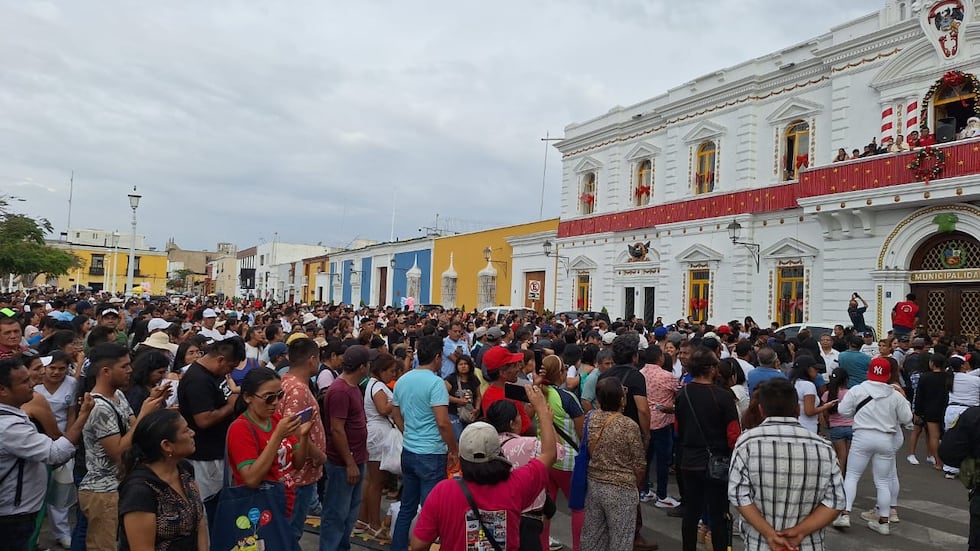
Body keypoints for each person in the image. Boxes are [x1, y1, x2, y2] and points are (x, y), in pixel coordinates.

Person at [409, 385, 556, 551]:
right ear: (498, 451)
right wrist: (542, 411)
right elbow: (550, 454)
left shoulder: (443, 491)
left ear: (462, 457)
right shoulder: (517, 483)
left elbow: (418, 545)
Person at [729, 378, 846, 551]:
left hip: (760, 543)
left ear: (761, 409)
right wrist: (799, 531)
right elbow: (836, 501)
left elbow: (738, 495)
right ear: (797, 409)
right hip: (806, 544)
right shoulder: (823, 447)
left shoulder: (747, 442)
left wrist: (769, 534)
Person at [80, 343, 169, 551]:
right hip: (103, 492)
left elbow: (132, 429)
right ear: (106, 371)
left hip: (119, 486)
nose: (130, 370)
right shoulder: (98, 407)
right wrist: (145, 413)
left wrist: (152, 402)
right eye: (124, 366)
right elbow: (118, 452)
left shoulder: (118, 395)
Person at [0, 357, 94, 550]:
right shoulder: (8, 427)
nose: (32, 384)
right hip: (13, 515)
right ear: (3, 390)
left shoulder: (12, 417)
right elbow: (56, 453)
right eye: (24, 382)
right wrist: (83, 415)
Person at [390, 335, 458, 551]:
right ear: (438, 357)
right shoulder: (436, 383)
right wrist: (454, 449)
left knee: (407, 508)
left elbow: (395, 412)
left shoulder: (404, 379)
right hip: (431, 454)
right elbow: (443, 422)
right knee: (432, 513)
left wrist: (407, 432)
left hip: (409, 451)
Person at [834, 357, 912, 534]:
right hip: (886, 438)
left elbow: (843, 410)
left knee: (852, 476)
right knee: (883, 481)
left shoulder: (858, 390)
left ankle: (845, 514)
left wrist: (856, 414)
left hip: (862, 436)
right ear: (889, 374)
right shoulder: (895, 394)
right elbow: (907, 419)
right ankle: (884, 521)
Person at [675, 346, 740, 551]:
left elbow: (678, 426)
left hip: (689, 459)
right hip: (716, 462)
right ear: (712, 369)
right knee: (718, 513)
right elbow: (733, 433)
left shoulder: (682, 393)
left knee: (691, 512)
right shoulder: (723, 396)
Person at [595, 332, 656, 551]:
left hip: (607, 431)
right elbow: (642, 409)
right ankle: (633, 533)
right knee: (633, 483)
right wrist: (646, 434)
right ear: (634, 357)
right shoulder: (636, 376)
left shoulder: (605, 375)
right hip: (629, 434)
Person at [178, 337, 246, 527]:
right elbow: (204, 419)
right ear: (221, 360)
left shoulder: (213, 373)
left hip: (218, 450)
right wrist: (230, 407)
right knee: (209, 507)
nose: (229, 372)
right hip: (204, 457)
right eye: (230, 367)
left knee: (221, 503)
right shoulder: (197, 380)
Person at [227, 368, 311, 519]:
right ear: (247, 397)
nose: (276, 403)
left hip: (285, 503)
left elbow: (298, 464)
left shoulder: (276, 420)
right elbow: (251, 479)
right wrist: (277, 436)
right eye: (269, 398)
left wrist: (304, 436)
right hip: (260, 511)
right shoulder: (240, 428)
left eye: (280, 396)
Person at [118, 409, 208, 550]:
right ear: (166, 445)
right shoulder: (139, 491)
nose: (192, 433)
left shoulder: (184, 470)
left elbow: (199, 522)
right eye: (185, 431)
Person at [581, 378, 647, 551]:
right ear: (621, 399)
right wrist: (635, 484)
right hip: (621, 488)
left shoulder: (591, 418)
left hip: (594, 484)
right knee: (621, 540)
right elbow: (639, 464)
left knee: (593, 538)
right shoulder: (629, 425)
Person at [320, 345, 371, 551]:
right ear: (362, 367)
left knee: (349, 512)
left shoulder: (353, 387)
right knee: (336, 513)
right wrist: (349, 463)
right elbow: (337, 429)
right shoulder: (340, 390)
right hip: (343, 463)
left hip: (356, 459)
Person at [278, 338, 327, 544]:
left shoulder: (287, 382)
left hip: (298, 472)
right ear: (312, 359)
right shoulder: (297, 389)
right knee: (291, 533)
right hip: (299, 474)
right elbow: (293, 431)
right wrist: (319, 456)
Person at [538, 354, 585, 551]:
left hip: (545, 458)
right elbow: (583, 432)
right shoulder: (568, 398)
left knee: (543, 509)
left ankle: (542, 546)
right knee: (578, 507)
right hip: (568, 462)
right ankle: (578, 547)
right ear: (561, 374)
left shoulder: (538, 393)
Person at [358, 352, 399, 543]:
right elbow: (383, 409)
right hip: (378, 435)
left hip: (375, 433)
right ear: (381, 371)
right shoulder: (378, 386)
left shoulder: (373, 384)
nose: (393, 374)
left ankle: (363, 519)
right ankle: (374, 523)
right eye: (391, 371)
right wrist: (397, 401)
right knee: (377, 481)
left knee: (370, 480)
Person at [640, 346, 681, 508]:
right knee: (663, 460)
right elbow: (679, 395)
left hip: (645, 420)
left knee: (645, 458)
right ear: (660, 358)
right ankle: (662, 495)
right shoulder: (668, 376)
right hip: (662, 421)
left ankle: (644, 490)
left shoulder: (640, 374)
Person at [941, 356, 980, 479]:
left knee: (950, 440)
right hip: (968, 412)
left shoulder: (950, 377)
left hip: (951, 411)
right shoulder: (974, 380)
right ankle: (965, 469)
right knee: (968, 441)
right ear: (963, 366)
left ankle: (950, 469)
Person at [914, 353, 949, 471]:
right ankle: (949, 462)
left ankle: (938, 462)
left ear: (932, 364)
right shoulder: (949, 377)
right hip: (946, 409)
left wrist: (917, 412)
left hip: (930, 410)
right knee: (946, 437)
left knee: (934, 436)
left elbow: (919, 396)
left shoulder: (925, 377)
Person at [790, 356, 838, 434]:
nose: (817, 371)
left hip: (794, 425)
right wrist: (826, 406)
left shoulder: (792, 383)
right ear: (807, 369)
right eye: (815, 369)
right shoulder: (808, 385)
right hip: (808, 426)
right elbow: (809, 411)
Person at [822, 368, 853, 474]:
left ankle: (839, 481)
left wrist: (828, 424)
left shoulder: (827, 394)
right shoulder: (850, 393)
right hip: (851, 427)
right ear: (846, 380)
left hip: (835, 428)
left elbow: (825, 413)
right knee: (850, 459)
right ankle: (849, 482)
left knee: (840, 458)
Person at [446, 355, 482, 440]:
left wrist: (477, 408)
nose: (463, 366)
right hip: (454, 414)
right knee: (459, 437)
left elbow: (478, 396)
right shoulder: (451, 379)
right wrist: (458, 401)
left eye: (465, 364)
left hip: (469, 413)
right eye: (460, 364)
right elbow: (443, 395)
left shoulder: (474, 379)